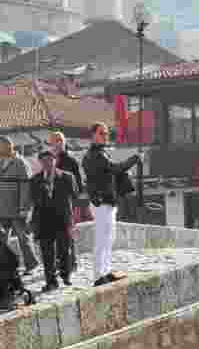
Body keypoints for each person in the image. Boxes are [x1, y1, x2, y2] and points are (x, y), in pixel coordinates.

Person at [82, 123, 141, 287]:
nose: (105, 136)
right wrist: (133, 160)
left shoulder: (100, 153)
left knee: (109, 238)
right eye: (101, 133)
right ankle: (98, 275)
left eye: (106, 133)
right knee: (102, 239)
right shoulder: (94, 155)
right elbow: (114, 168)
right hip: (101, 202)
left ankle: (106, 271)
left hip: (108, 200)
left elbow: (112, 171)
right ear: (93, 135)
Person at [30, 149, 78, 292]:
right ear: (40, 163)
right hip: (44, 220)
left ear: (55, 161)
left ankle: (66, 274)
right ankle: (50, 281)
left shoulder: (67, 177)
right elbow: (34, 201)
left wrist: (70, 219)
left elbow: (75, 195)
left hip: (63, 219)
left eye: (50, 160)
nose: (48, 163)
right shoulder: (35, 180)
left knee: (65, 250)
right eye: (44, 161)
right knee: (47, 253)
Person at [0, 136, 38, 273]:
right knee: (0, 241)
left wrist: (25, 208)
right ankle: (5, 267)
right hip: (2, 210)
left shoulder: (20, 163)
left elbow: (26, 187)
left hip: (18, 209)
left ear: (8, 146)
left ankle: (31, 265)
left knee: (23, 239)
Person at [48, 132, 84, 273]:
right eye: (54, 141)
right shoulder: (48, 160)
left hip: (66, 203)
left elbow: (78, 185)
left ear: (64, 142)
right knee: (54, 235)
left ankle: (72, 262)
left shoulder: (70, 161)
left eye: (60, 141)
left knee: (68, 234)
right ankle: (60, 262)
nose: (57, 143)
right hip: (50, 204)